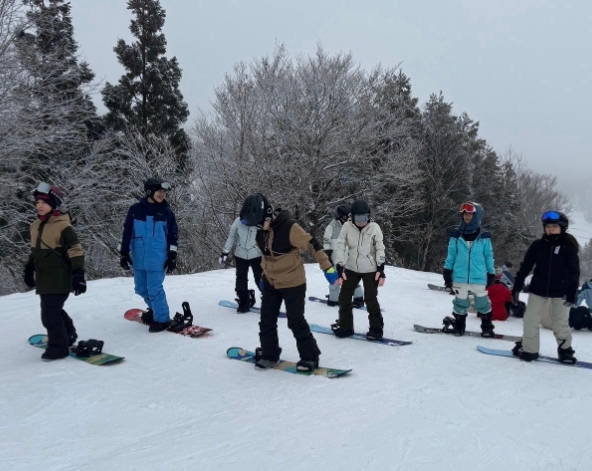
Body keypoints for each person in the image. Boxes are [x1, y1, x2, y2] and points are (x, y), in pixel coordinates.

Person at [241, 193, 337, 372]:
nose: (258, 228)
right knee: (266, 320)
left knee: (295, 321)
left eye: (260, 223)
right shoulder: (260, 233)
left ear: (268, 215)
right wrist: (263, 277)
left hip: (293, 282)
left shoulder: (289, 228)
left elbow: (312, 245)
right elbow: (266, 257)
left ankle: (310, 357)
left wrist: (328, 268)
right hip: (271, 282)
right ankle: (270, 355)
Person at [24, 182, 87, 360]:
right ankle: (69, 334)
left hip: (60, 276)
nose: (39, 205)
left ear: (54, 203)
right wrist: (29, 269)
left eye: (44, 202)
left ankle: (59, 347)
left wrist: (78, 274)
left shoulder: (63, 225)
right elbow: (35, 250)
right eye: (37, 202)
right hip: (44, 277)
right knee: (52, 310)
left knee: (49, 314)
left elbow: (75, 250)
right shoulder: (35, 225)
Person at [511, 211, 580, 363]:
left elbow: (574, 271)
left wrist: (571, 292)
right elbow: (525, 267)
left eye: (554, 226)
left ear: (562, 228)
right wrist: (516, 287)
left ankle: (565, 351)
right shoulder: (537, 245)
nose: (550, 229)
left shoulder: (568, 247)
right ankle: (529, 350)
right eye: (547, 226)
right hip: (538, 290)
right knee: (530, 320)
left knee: (559, 323)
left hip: (561, 291)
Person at [119, 178, 179, 333]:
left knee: (154, 289)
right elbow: (127, 232)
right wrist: (124, 253)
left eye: (165, 192)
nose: (163, 195)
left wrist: (172, 256)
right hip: (138, 258)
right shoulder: (135, 210)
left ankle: (162, 319)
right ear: (149, 192)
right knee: (141, 289)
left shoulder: (167, 214)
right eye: (160, 191)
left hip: (158, 258)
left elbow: (173, 236)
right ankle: (155, 310)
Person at [331, 199, 386, 340]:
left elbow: (380, 248)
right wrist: (340, 265)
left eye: (364, 218)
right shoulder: (347, 227)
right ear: (352, 216)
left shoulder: (374, 228)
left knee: (370, 298)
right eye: (358, 218)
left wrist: (380, 269)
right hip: (351, 268)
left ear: (368, 216)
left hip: (370, 269)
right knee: (344, 297)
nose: (361, 222)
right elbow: (341, 245)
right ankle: (345, 326)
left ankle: (376, 328)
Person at [443, 202, 496, 337]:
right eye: (465, 214)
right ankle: (459, 326)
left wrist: (491, 273)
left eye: (470, 214)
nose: (467, 216)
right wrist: (447, 271)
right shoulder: (456, 235)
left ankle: (487, 327)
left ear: (476, 215)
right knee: (460, 302)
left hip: (479, 276)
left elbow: (488, 256)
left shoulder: (484, 236)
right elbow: (451, 254)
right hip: (459, 275)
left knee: (482, 303)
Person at [220, 199, 263, 313]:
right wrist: (225, 251)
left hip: (256, 255)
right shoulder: (238, 222)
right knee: (241, 280)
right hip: (241, 255)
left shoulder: (261, 222)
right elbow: (232, 237)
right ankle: (244, 302)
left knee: (260, 279)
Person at [322, 205, 363, 308]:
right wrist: (327, 254)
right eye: (347, 218)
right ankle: (334, 299)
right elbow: (326, 241)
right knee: (335, 278)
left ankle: (359, 299)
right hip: (336, 258)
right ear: (341, 217)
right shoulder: (331, 227)